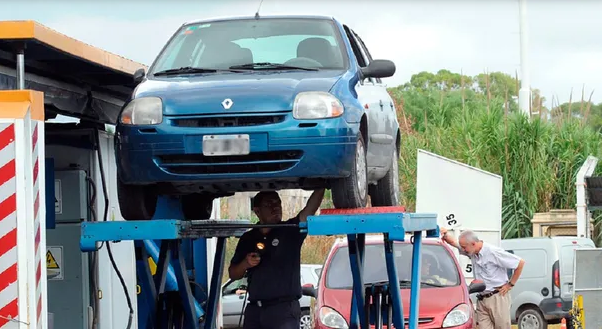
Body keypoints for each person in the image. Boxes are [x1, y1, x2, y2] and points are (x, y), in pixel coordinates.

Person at [228, 189, 325, 329]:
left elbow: (309, 209)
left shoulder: (290, 230)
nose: (276, 208)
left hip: (283, 310)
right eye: (269, 204)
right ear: (257, 211)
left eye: (278, 203)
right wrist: (245, 264)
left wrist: (322, 185)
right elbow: (233, 274)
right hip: (255, 310)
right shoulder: (247, 238)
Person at [439, 227, 525, 329]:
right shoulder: (472, 252)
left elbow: (520, 263)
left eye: (465, 247)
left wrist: (510, 284)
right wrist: (445, 235)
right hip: (482, 299)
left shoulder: (493, 252)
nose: (464, 250)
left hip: (497, 297)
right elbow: (454, 242)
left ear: (473, 244)